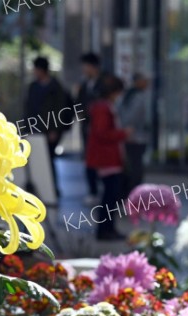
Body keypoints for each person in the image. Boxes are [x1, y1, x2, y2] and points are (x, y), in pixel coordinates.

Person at [86, 76, 132, 240]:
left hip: (108, 156)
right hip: (106, 157)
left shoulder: (102, 106)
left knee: (110, 195)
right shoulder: (102, 108)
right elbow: (102, 133)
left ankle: (108, 228)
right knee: (110, 196)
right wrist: (123, 134)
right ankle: (105, 229)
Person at [25, 56, 70, 199]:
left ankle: (52, 188)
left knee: (49, 159)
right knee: (36, 158)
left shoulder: (56, 88)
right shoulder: (33, 86)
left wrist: (55, 129)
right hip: (35, 128)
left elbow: (59, 109)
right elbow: (29, 108)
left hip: (50, 130)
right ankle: (40, 186)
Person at [77, 53, 104, 206]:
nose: (83, 69)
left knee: (102, 162)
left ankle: (102, 191)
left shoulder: (104, 84)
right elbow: (79, 103)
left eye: (85, 66)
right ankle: (92, 191)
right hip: (87, 129)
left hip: (100, 129)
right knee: (89, 160)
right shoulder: (84, 84)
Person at [119, 72, 150, 196]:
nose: (147, 83)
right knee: (134, 166)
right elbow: (132, 117)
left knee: (132, 165)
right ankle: (134, 193)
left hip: (131, 135)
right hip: (135, 136)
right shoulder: (137, 96)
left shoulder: (129, 95)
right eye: (145, 80)